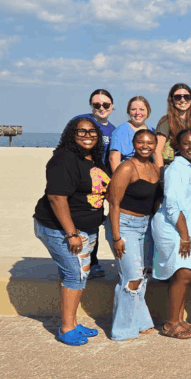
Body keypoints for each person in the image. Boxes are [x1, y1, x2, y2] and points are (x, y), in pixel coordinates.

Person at [33, 117, 110, 346]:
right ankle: (66, 327)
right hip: (60, 229)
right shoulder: (64, 158)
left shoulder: (93, 159)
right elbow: (57, 197)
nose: (87, 136)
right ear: (71, 134)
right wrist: (71, 233)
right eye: (81, 131)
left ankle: (73, 323)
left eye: (92, 132)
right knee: (75, 275)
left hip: (86, 228)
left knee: (77, 274)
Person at [105, 129, 162, 341]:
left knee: (141, 276)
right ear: (133, 144)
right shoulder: (127, 167)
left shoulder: (154, 168)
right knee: (132, 278)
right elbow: (113, 203)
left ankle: (141, 322)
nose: (145, 146)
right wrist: (116, 237)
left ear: (155, 146)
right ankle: (122, 330)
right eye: (140, 142)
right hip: (124, 225)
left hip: (144, 225)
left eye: (149, 143)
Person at [151, 129, 191, 339]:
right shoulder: (175, 168)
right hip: (174, 227)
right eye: (186, 143)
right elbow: (172, 205)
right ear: (177, 146)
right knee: (183, 273)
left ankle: (179, 319)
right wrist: (185, 236)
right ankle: (170, 323)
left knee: (185, 274)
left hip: (189, 226)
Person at [73, 89, 115, 280]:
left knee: (94, 221)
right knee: (78, 221)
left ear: (112, 106)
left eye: (105, 104)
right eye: (97, 105)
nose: (101, 108)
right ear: (91, 105)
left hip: (100, 183)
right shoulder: (81, 121)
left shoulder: (113, 130)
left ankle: (93, 261)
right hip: (81, 180)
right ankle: (77, 262)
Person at [154, 83, 191, 173]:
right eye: (178, 97)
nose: (182, 100)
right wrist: (161, 175)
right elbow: (157, 151)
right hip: (171, 169)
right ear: (171, 100)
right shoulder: (166, 121)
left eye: (186, 97)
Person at [108, 96, 152, 173]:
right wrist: (120, 178)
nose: (137, 113)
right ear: (128, 112)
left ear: (148, 112)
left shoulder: (152, 131)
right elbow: (113, 158)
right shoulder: (120, 131)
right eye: (133, 109)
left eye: (141, 109)